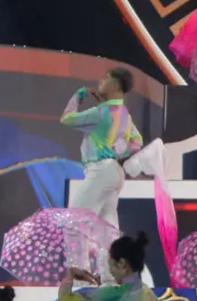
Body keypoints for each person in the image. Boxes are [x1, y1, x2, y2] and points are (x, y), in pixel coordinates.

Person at [61, 67, 143, 232]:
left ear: (115, 86)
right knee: (108, 228)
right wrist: (117, 153)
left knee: (75, 223)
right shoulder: (125, 114)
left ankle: (78, 252)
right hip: (115, 172)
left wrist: (78, 96)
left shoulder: (100, 112)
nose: (101, 81)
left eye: (106, 78)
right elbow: (137, 141)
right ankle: (114, 251)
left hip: (100, 171)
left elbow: (67, 119)